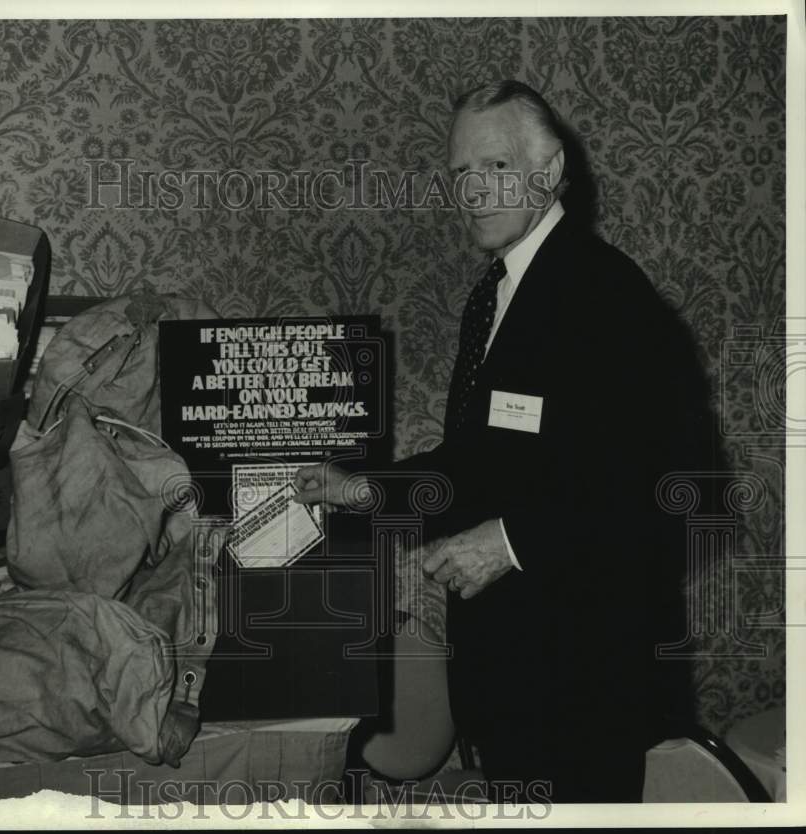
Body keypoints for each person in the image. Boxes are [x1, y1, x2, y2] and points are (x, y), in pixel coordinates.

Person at [294, 80, 702, 803]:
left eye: (496, 168)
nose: (473, 191)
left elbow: (668, 479)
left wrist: (512, 543)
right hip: (516, 671)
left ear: (547, 174)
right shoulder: (502, 292)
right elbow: (482, 465)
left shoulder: (602, 292)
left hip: (584, 680)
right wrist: (360, 488)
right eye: (460, 174)